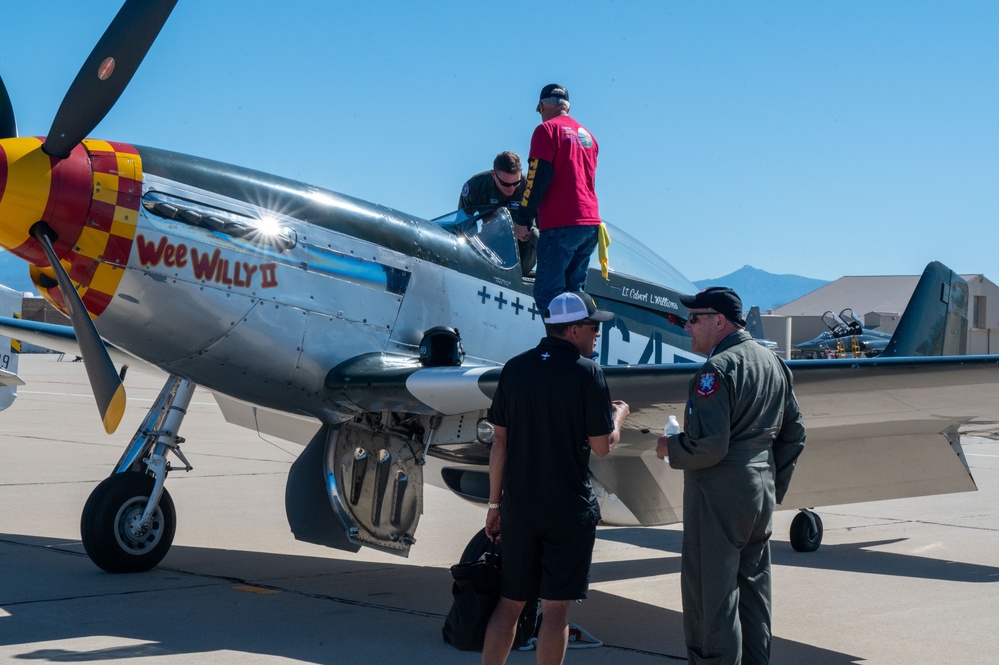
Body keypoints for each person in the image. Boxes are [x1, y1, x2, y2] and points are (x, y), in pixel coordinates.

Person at [655, 287, 806, 665]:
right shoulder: (773, 363)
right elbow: (795, 434)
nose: (688, 327)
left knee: (711, 597)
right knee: (753, 588)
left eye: (694, 319)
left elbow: (710, 446)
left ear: (718, 320)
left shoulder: (715, 371)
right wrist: (771, 483)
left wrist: (668, 447)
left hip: (719, 493)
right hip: (759, 490)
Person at [482, 291, 630, 665]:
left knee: (509, 603)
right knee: (556, 611)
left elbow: (499, 444)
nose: (598, 334)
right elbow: (601, 446)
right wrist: (619, 418)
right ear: (574, 330)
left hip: (519, 508)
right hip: (568, 511)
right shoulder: (587, 373)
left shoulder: (514, 369)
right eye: (594, 328)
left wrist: (495, 505)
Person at [513, 84, 600, 311]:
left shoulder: (546, 131)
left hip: (561, 223)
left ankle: (559, 346)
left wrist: (522, 220)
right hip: (590, 224)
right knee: (574, 296)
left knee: (547, 295)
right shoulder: (588, 137)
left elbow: (535, 179)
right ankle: (579, 345)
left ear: (542, 106)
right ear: (567, 108)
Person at [459, 151, 538, 277]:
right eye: (505, 184)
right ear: (493, 174)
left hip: (524, 243)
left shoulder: (532, 188)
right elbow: (463, 223)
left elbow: (546, 226)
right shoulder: (476, 186)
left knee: (537, 235)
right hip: (490, 240)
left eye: (516, 183)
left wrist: (526, 230)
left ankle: (519, 277)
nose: (511, 189)